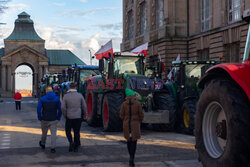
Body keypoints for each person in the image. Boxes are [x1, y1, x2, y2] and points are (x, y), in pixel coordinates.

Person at [120, 88, 144, 167]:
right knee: (134, 141)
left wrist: (125, 120)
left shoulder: (124, 104)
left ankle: (130, 157)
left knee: (128, 140)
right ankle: (132, 158)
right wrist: (138, 121)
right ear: (133, 95)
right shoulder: (138, 103)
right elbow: (141, 115)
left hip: (126, 124)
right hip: (135, 124)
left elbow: (121, 115)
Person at [61, 82, 87, 152]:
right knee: (76, 132)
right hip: (78, 117)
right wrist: (85, 115)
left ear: (69, 87)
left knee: (68, 131)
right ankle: (76, 146)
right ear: (75, 87)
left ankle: (70, 142)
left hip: (69, 117)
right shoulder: (80, 95)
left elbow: (63, 107)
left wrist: (65, 115)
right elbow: (84, 106)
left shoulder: (66, 96)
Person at [37, 86, 62, 153]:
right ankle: (53, 148)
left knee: (44, 133)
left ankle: (43, 144)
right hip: (53, 118)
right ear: (52, 91)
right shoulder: (57, 98)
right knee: (53, 134)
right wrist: (58, 117)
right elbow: (60, 109)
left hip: (44, 118)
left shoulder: (42, 99)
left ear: (46, 91)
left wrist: (40, 117)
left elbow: (39, 110)